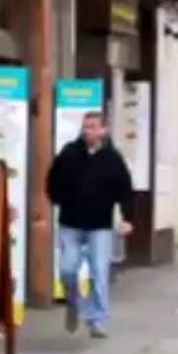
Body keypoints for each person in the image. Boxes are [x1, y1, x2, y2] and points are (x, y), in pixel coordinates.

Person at [46, 111, 134, 339]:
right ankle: (73, 302)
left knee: (99, 272)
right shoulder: (69, 153)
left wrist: (127, 217)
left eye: (94, 127)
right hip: (71, 223)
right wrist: (58, 199)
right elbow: (53, 179)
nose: (89, 131)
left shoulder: (112, 158)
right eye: (86, 127)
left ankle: (97, 319)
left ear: (104, 130)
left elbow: (125, 189)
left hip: (100, 225)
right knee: (67, 268)